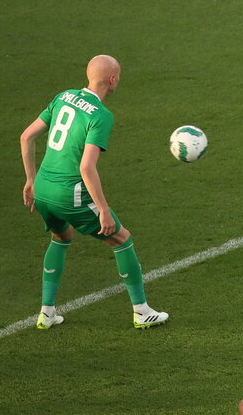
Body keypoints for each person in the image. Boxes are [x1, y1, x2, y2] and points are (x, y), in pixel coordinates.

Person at [20, 55, 169, 329]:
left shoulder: (63, 96)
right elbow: (87, 167)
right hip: (69, 194)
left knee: (61, 236)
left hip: (42, 189)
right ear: (112, 80)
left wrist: (30, 180)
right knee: (121, 239)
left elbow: (26, 136)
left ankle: (47, 312)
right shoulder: (100, 115)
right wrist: (102, 210)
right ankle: (141, 311)